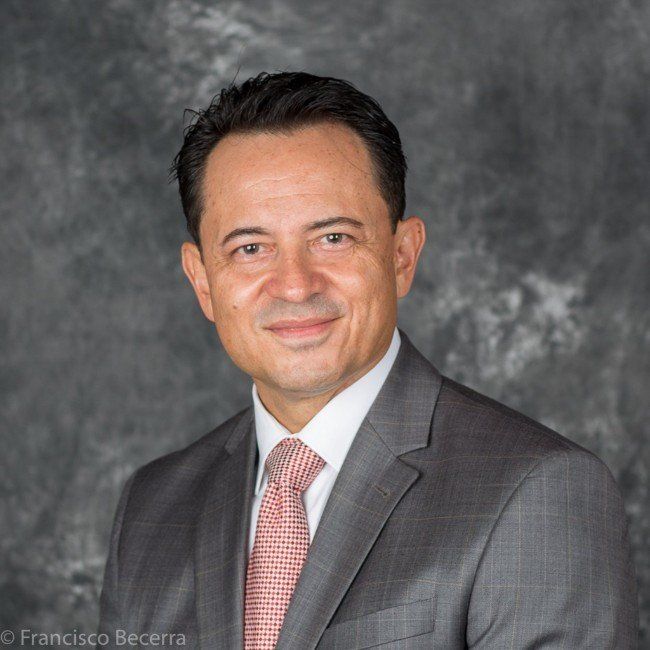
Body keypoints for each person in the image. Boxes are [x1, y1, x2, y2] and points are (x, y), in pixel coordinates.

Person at [97, 72, 638, 649]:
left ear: (402, 256)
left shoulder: (539, 493)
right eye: (250, 248)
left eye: (333, 238)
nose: (295, 285)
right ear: (203, 281)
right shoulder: (152, 506)